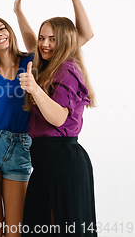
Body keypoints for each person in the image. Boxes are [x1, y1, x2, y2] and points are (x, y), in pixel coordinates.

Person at [0, 0, 93, 237]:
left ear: (10, 32)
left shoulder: (33, 61)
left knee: (17, 229)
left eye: (2, 28)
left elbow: (79, 35)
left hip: (23, 146)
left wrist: (19, 11)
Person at [19, 16, 96, 236]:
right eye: (42, 38)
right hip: (45, 164)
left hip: (63, 162)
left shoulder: (66, 69)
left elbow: (59, 118)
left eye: (52, 39)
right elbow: (31, 42)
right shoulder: (50, 66)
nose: (44, 44)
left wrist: (34, 89)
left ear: (65, 41)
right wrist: (18, 12)